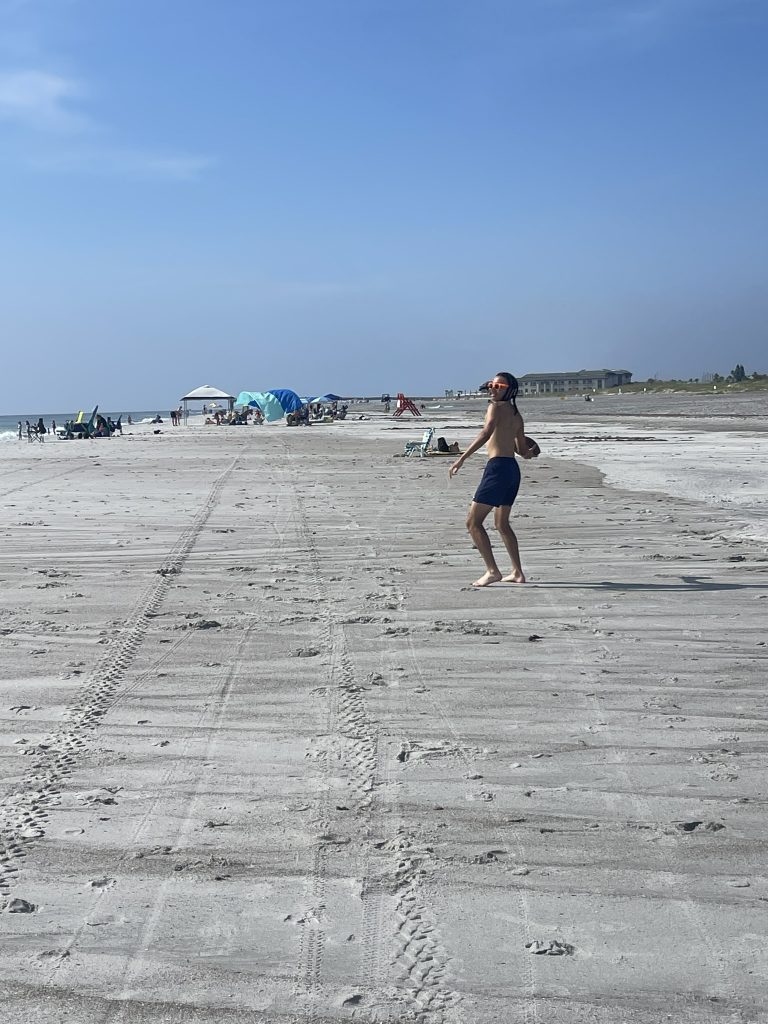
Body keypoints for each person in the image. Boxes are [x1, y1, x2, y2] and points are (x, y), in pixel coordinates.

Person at [449, 372, 534, 587]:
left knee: (473, 522)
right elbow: (522, 450)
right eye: (491, 385)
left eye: (499, 386)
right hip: (512, 470)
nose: (493, 389)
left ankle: (492, 571)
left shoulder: (494, 407)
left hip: (497, 469)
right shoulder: (516, 415)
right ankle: (517, 572)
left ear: (510, 390)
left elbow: (486, 433)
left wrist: (461, 458)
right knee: (502, 524)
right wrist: (531, 452)